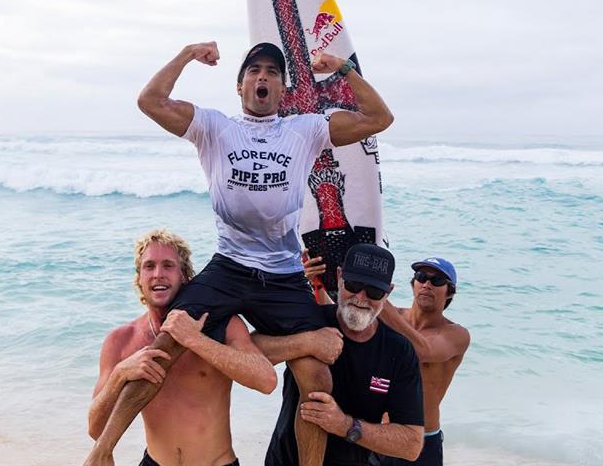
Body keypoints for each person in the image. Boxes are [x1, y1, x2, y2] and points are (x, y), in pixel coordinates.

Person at [84, 41, 394, 466]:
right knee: (166, 342)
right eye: (254, 70)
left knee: (317, 376)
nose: (262, 76)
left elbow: (379, 119)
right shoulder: (214, 127)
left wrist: (342, 68)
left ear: (282, 89)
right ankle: (101, 452)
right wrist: (188, 54)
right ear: (240, 85)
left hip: (283, 273)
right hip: (229, 265)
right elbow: (150, 101)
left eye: (272, 72)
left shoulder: (306, 129)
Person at [88, 229, 277, 466]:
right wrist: (120, 374)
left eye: (168, 266)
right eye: (149, 266)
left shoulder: (222, 326)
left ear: (185, 276)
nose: (158, 274)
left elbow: (266, 380)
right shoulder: (121, 340)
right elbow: (96, 429)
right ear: (139, 278)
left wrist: (195, 340)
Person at [256, 243, 425, 466]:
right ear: (339, 277)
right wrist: (305, 342)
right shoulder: (310, 320)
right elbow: (250, 349)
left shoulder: (399, 351)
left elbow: (412, 445)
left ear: (388, 293)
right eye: (353, 285)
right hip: (285, 460)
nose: (361, 298)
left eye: (374, 292)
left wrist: (345, 425)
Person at [375, 257, 470, 466]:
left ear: (450, 292)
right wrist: (317, 284)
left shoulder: (456, 334)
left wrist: (379, 299)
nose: (427, 284)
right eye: (421, 277)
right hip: (377, 434)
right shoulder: (391, 315)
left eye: (437, 281)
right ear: (413, 284)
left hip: (422, 441)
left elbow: (423, 351)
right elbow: (343, 317)